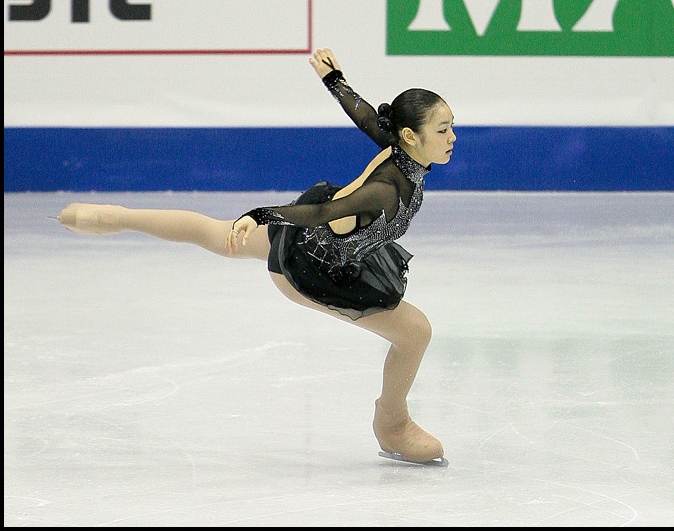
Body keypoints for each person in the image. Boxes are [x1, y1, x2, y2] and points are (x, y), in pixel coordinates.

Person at [57, 47, 457, 467]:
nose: (452, 138)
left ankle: (115, 217)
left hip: (314, 242)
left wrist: (334, 80)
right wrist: (258, 214)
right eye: (444, 129)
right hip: (316, 268)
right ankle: (391, 423)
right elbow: (324, 213)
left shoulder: (400, 146)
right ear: (412, 136)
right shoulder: (386, 190)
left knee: (214, 233)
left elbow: (365, 117)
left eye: (452, 127)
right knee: (416, 332)